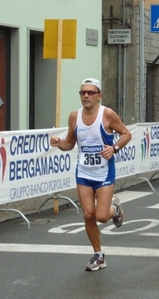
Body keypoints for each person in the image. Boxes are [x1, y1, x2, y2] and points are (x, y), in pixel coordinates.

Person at [50, 78, 132, 271]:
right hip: (84, 172)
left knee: (102, 216)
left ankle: (115, 209)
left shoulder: (108, 114)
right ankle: (98, 255)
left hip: (104, 172)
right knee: (88, 215)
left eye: (90, 92)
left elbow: (126, 134)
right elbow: (70, 143)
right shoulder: (74, 117)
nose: (86, 96)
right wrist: (58, 143)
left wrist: (114, 147)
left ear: (99, 96)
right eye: (82, 93)